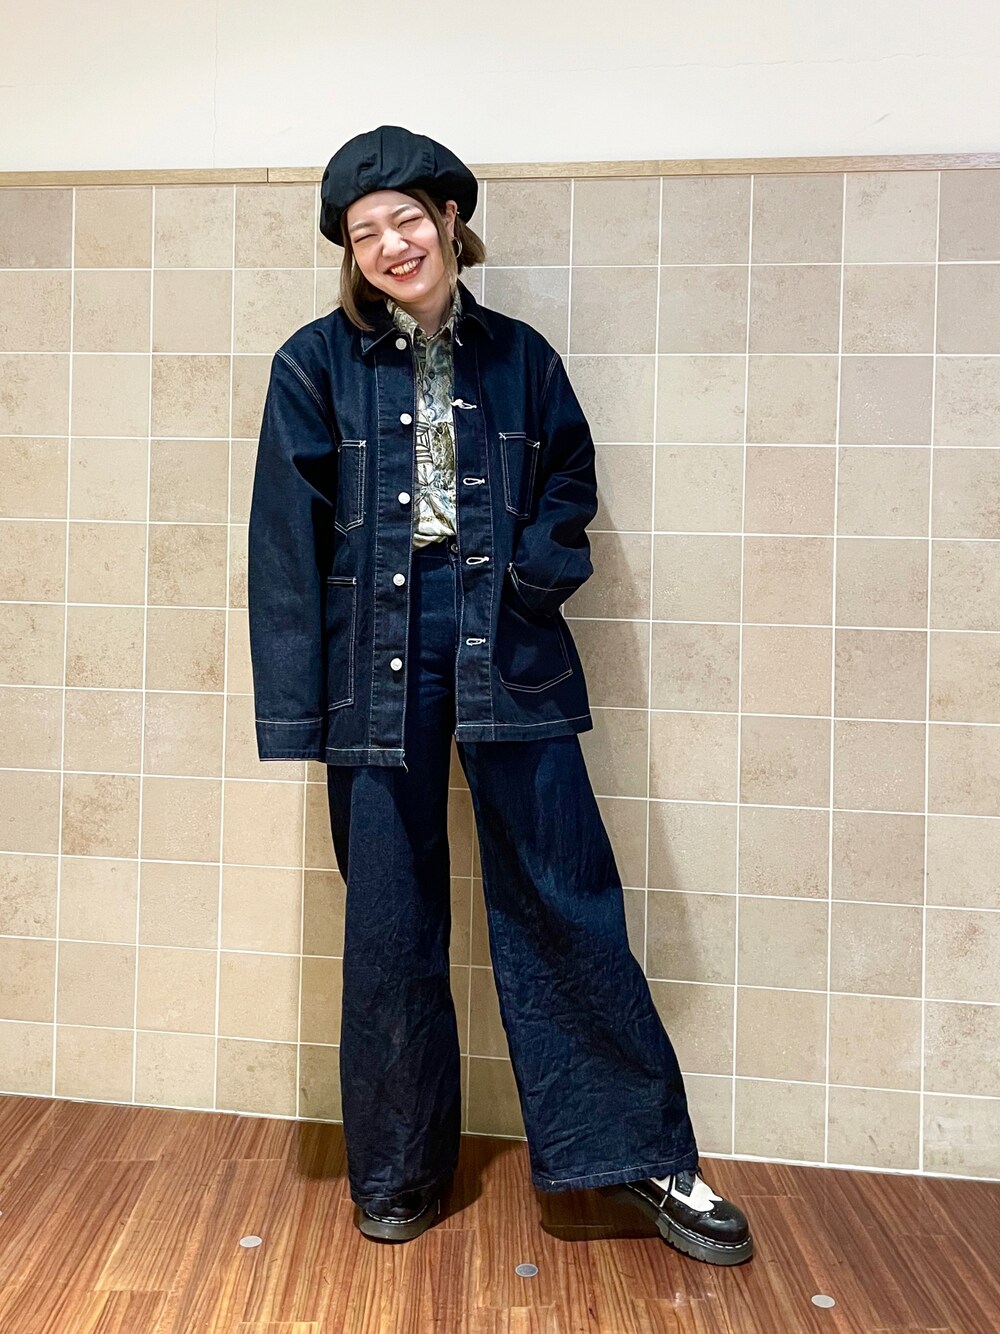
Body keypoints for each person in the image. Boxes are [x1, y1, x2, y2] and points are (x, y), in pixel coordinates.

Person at [247, 124, 754, 1267]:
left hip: (505, 638)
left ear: (449, 220)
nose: (391, 244)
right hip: (371, 657)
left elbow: (567, 475)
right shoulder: (311, 364)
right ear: (349, 252)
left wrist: (531, 578)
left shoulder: (520, 357)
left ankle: (639, 1157)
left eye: (406, 219)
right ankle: (397, 1168)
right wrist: (298, 707)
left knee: (565, 895)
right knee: (389, 920)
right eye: (364, 233)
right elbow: (283, 540)